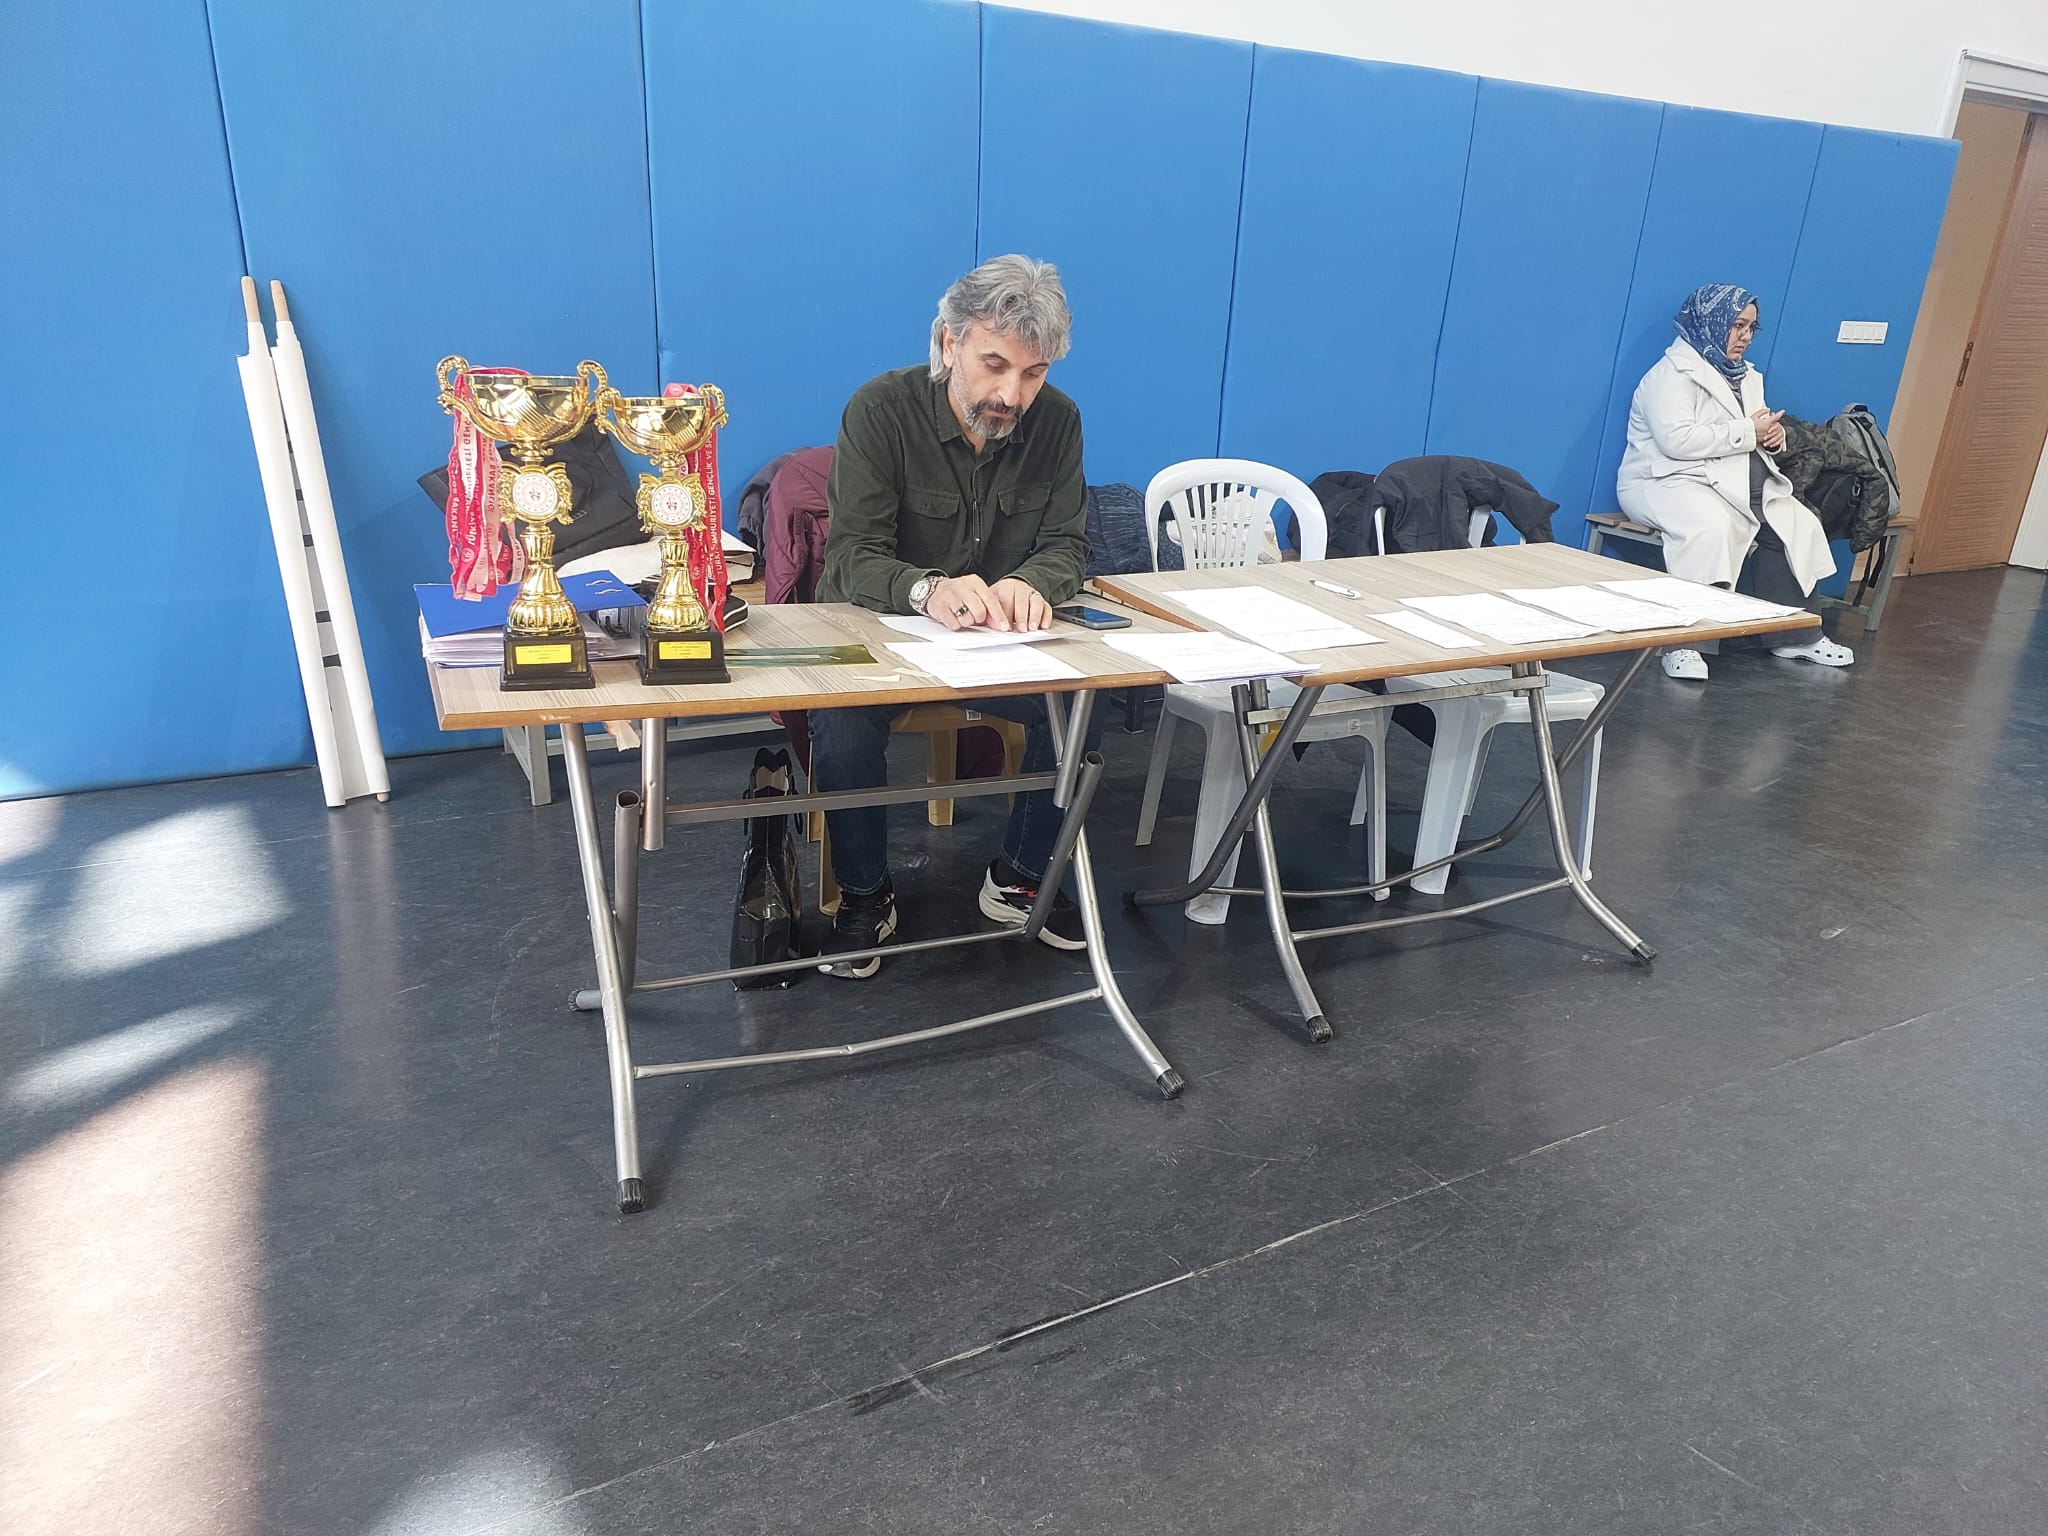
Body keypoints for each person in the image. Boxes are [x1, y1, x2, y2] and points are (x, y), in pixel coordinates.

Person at [809, 254, 1100, 978]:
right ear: (948, 342)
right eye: (994, 365)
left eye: (1033, 375)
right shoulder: (880, 410)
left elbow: (1067, 545)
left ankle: (1019, 877)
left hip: (994, 647)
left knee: (1082, 700)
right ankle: (866, 896)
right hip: (882, 638)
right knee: (840, 718)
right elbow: (850, 558)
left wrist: (1033, 581)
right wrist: (925, 589)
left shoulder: (1059, 423)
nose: (1011, 395)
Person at [1617, 283, 1854, 680]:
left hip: (1726, 480)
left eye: (1751, 328)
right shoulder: (1671, 376)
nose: (1744, 336)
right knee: (1710, 530)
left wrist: (1774, 437)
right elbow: (1677, 442)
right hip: (1664, 481)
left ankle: (1794, 634)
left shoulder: (1746, 376)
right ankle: (1684, 644)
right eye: (1736, 325)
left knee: (1795, 522)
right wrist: (1749, 431)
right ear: (1709, 322)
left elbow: (1755, 427)